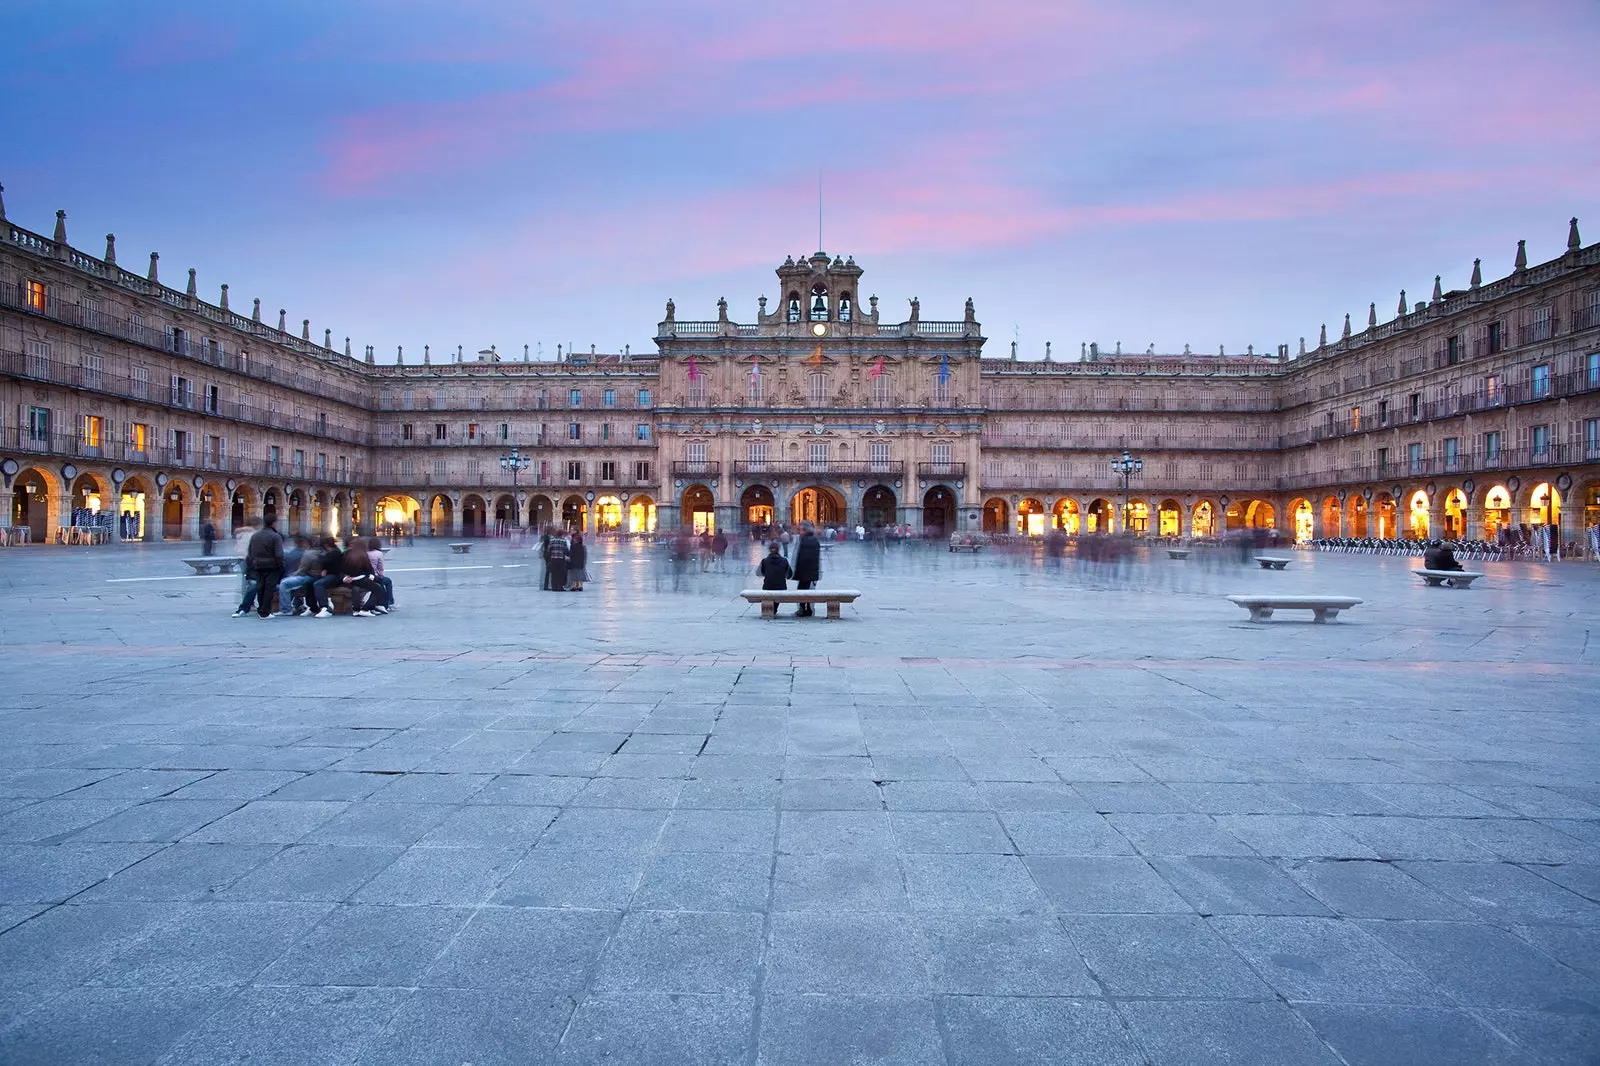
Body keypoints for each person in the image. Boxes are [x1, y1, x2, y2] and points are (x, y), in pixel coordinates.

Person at [234, 515, 285, 618]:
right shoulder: (275, 536)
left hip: (257, 565)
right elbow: (279, 555)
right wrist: (281, 566)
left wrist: (253, 565)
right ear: (274, 523)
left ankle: (260, 609)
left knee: (260, 587)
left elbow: (250, 553)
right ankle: (264, 612)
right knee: (268, 588)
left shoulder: (256, 535)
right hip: (271, 566)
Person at [276, 538, 325, 616]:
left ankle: (286, 609)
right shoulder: (325, 553)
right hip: (320, 577)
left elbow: (303, 569)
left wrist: (295, 574)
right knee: (292, 583)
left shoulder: (309, 554)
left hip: (309, 576)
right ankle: (298, 605)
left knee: (285, 583)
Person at [793, 520, 821, 616]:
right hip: (813, 573)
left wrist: (794, 572)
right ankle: (809, 609)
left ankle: (802, 609)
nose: (799, 531)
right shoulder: (815, 540)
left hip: (803, 572)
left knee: (801, 591)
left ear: (805, 530)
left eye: (800, 529)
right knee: (810, 591)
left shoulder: (802, 540)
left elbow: (799, 557)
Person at [366, 536, 396, 609]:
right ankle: (390, 601)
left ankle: (384, 602)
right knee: (388, 581)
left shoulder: (366, 553)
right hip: (375, 576)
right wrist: (381, 576)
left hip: (366, 576)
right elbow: (380, 568)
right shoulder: (379, 553)